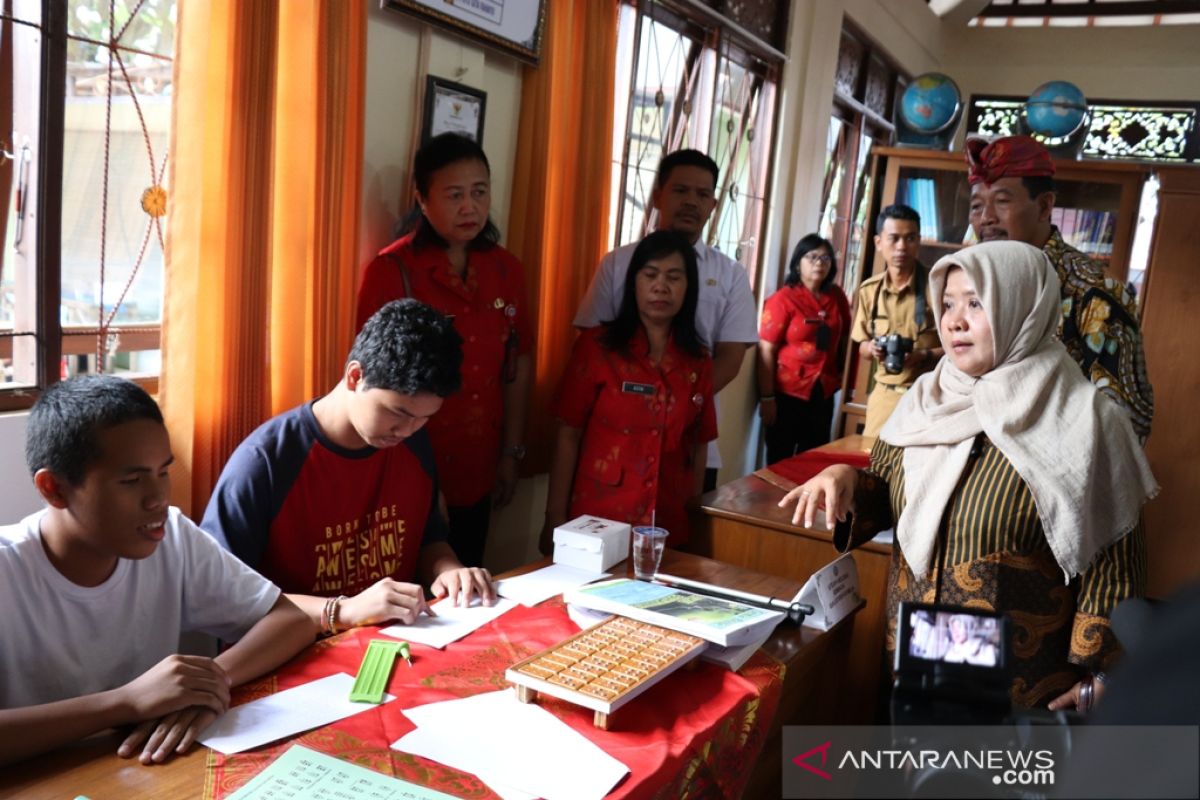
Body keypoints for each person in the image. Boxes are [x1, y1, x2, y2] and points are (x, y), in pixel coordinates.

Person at [781, 241, 1157, 710]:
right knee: (914, 776)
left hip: (1025, 681)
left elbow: (1115, 559)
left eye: (976, 303)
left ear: (1023, 304)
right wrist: (847, 480)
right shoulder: (927, 398)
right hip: (919, 653)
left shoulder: (1087, 418)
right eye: (947, 304)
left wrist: (1102, 673)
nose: (955, 320)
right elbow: (889, 498)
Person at [0, 376, 315, 767]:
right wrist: (124, 702)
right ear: (54, 489)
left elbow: (289, 620)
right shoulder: (8, 572)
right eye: (131, 481)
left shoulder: (172, 537)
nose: (158, 499)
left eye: (163, 472)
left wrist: (206, 685)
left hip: (141, 770)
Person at [202, 300, 495, 637]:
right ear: (355, 377)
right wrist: (343, 610)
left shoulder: (411, 443)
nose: (406, 430)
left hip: (390, 643)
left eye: (424, 418)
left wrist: (450, 571)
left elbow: (429, 539)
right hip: (291, 655)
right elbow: (221, 596)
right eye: (397, 412)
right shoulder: (265, 463)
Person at [355, 133, 532, 568]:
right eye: (454, 195)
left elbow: (518, 363)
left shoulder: (507, 269)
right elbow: (368, 383)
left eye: (479, 192)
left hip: (479, 466)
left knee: (468, 586)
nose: (469, 207)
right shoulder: (391, 272)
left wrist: (511, 454)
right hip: (410, 462)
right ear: (422, 198)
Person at [574, 149, 756, 491]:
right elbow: (588, 346)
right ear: (658, 195)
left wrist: (674, 409)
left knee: (677, 538)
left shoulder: (730, 275)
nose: (691, 202)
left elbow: (731, 359)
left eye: (703, 195)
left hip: (690, 442)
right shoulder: (618, 263)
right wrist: (637, 407)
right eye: (681, 190)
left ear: (713, 205)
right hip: (613, 439)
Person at [966, 134, 1153, 441]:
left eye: (1002, 201)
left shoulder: (1094, 291)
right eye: (976, 206)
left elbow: (1128, 421)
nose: (986, 218)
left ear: (1044, 207)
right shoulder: (974, 283)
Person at [541, 231, 717, 552]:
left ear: (688, 288)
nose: (660, 286)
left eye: (673, 277)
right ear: (633, 283)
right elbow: (568, 434)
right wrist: (554, 516)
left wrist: (693, 522)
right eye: (650, 275)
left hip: (666, 525)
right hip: (597, 521)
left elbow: (698, 445)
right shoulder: (597, 348)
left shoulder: (699, 361)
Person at [849, 204, 943, 438]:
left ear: (919, 241)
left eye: (910, 238)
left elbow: (960, 349)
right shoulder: (869, 291)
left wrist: (924, 356)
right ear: (878, 243)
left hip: (928, 396)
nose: (902, 246)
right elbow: (861, 346)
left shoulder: (939, 288)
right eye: (894, 239)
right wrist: (871, 348)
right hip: (884, 396)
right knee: (872, 463)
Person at [757, 234, 851, 464]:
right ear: (798, 262)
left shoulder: (836, 296)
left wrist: (847, 382)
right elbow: (765, 351)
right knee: (780, 460)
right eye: (812, 257)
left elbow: (848, 338)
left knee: (814, 460)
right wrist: (767, 398)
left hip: (824, 391)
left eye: (826, 258)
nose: (820, 263)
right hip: (787, 394)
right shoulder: (783, 299)